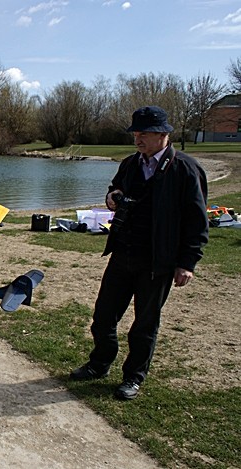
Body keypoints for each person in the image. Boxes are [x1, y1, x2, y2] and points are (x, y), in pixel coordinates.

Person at [69, 106, 209, 400]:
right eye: (135, 132)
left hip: (157, 262)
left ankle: (133, 377)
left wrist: (187, 263)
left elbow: (197, 221)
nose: (137, 137)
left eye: (143, 132)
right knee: (104, 317)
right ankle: (99, 364)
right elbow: (115, 190)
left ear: (163, 134)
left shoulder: (185, 169)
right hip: (122, 255)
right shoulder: (131, 164)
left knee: (144, 325)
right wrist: (112, 197)